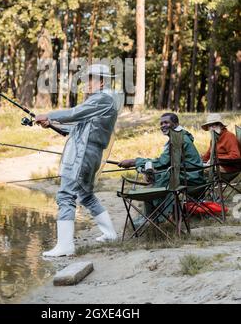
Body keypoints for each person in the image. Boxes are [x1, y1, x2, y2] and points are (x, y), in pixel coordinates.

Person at [35, 64, 121, 257]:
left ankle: (65, 246)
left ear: (102, 81)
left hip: (82, 156)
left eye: (91, 79)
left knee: (65, 195)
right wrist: (52, 124)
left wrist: (48, 115)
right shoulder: (101, 101)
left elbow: (74, 113)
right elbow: (77, 127)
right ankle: (110, 234)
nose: (86, 83)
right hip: (90, 155)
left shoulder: (102, 99)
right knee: (86, 195)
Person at [119, 113, 204, 224]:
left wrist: (134, 162)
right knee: (158, 175)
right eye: (161, 123)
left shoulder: (178, 138)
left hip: (192, 178)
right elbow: (166, 161)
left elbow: (162, 162)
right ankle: (153, 215)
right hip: (186, 174)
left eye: (166, 122)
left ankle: (156, 216)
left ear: (176, 123)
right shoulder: (178, 135)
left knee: (161, 178)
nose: (163, 125)